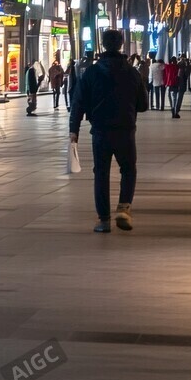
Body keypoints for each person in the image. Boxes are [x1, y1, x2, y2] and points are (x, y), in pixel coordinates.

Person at [69, 28, 149, 233]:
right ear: (121, 45)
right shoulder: (132, 72)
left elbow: (78, 102)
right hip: (125, 130)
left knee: (101, 173)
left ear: (103, 45)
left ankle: (103, 219)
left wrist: (74, 130)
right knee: (128, 169)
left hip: (100, 131)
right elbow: (143, 105)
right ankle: (123, 208)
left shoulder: (91, 73)